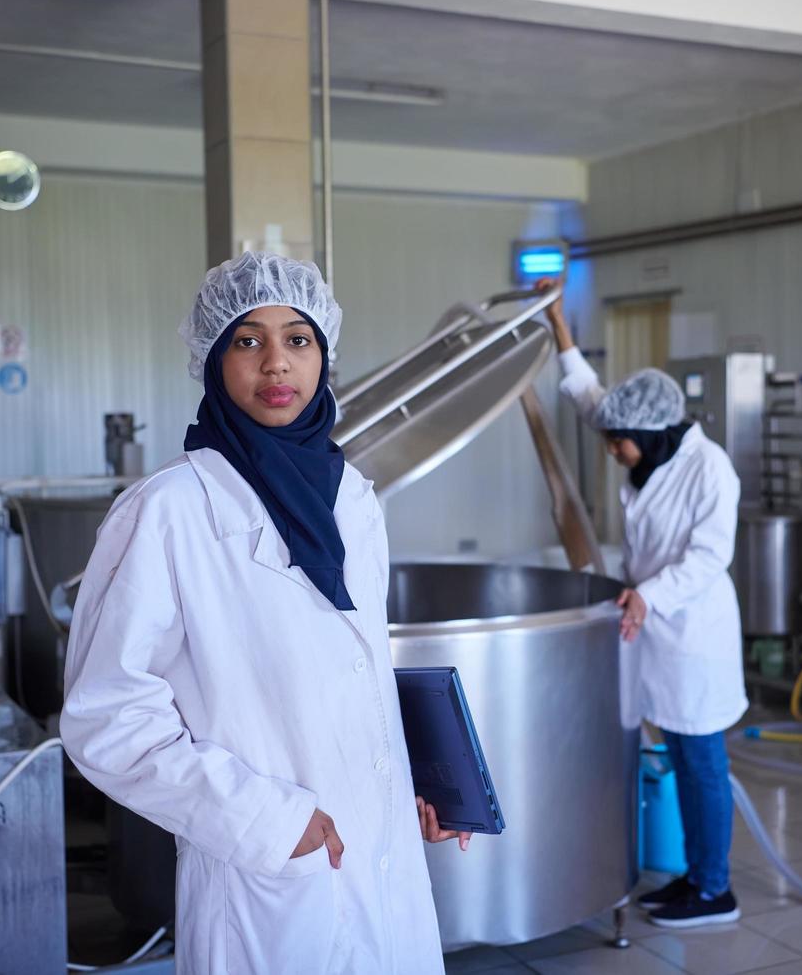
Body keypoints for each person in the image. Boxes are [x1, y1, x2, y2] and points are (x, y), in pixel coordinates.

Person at [60, 251, 466, 974]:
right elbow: (107, 719)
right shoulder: (168, 512)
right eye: (248, 341)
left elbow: (352, 674)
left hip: (381, 867)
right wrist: (264, 823)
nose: (277, 364)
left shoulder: (354, 499)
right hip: (270, 881)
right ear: (214, 360)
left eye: (298, 340)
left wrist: (403, 785)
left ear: (324, 356)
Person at [540, 280, 746, 928]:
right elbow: (587, 398)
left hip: (693, 632)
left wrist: (647, 596)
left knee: (702, 762)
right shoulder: (645, 438)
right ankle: (694, 876)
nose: (611, 451)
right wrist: (556, 322)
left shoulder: (710, 470)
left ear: (650, 435)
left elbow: (710, 558)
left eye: (618, 444)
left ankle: (715, 890)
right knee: (680, 759)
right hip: (654, 625)